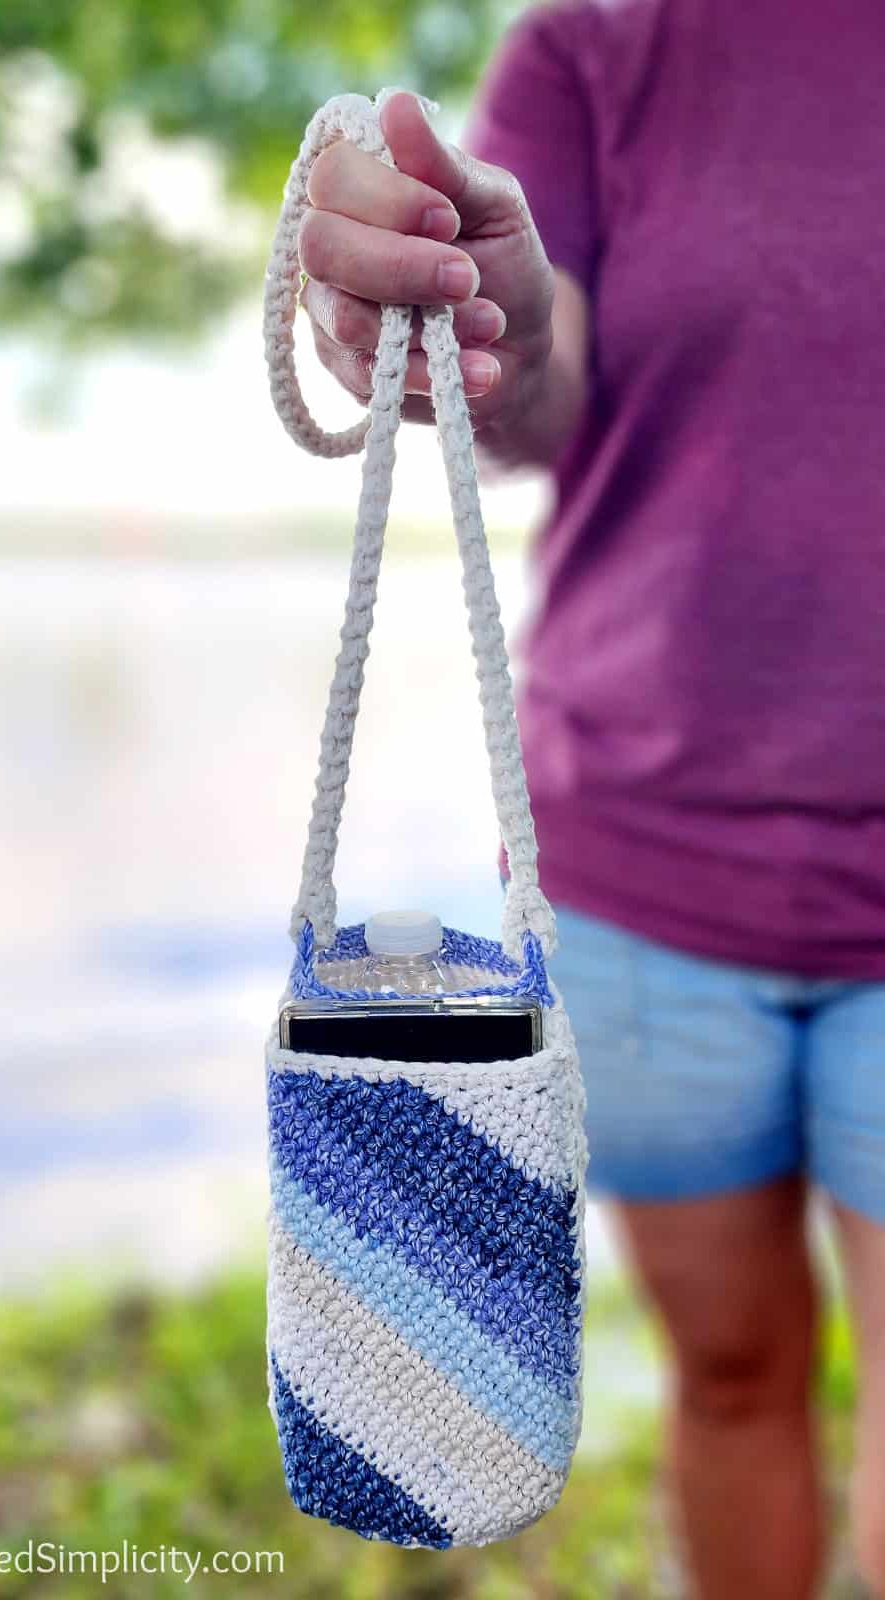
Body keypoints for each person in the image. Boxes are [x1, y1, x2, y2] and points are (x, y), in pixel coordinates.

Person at [296, 5, 885, 1597]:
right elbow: (541, 386)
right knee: (735, 1382)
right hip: (638, 874)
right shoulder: (599, 43)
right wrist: (477, 317)